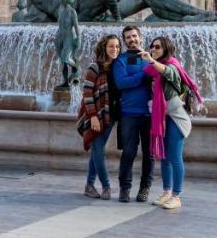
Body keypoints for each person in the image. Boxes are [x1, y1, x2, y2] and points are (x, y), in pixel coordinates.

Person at [143, 35, 203, 211]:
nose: (154, 50)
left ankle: (177, 196)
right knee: (164, 158)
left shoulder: (172, 66)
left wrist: (151, 61)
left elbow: (167, 72)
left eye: (158, 47)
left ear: (166, 50)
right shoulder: (153, 71)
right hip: (163, 119)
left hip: (177, 120)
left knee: (175, 158)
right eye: (152, 47)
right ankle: (167, 192)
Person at [111, 24, 154, 203]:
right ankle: (125, 188)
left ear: (140, 37)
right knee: (128, 152)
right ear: (125, 40)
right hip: (128, 113)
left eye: (134, 36)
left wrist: (147, 68)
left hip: (150, 114)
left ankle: (145, 188)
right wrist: (143, 75)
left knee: (149, 153)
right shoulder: (120, 60)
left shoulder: (149, 58)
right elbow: (121, 83)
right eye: (128, 37)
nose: (132, 39)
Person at [77, 34, 121, 200]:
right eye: (111, 46)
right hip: (96, 114)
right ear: (104, 47)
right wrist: (93, 116)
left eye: (117, 46)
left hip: (111, 116)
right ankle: (106, 186)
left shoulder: (117, 67)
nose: (114, 49)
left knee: (97, 150)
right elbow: (87, 93)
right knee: (98, 149)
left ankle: (89, 185)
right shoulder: (94, 67)